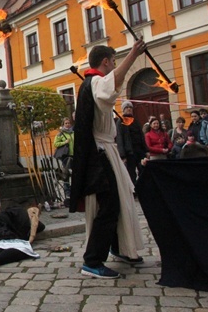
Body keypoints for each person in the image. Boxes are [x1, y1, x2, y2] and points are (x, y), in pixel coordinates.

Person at [70, 39, 146, 280]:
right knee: (110, 205)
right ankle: (92, 260)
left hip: (104, 151)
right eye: (113, 61)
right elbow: (111, 85)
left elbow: (110, 87)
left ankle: (117, 247)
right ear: (105, 61)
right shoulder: (94, 82)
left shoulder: (92, 82)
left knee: (117, 202)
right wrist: (133, 55)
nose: (114, 65)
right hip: (99, 153)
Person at [115, 101, 148, 185]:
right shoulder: (120, 121)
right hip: (129, 152)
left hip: (139, 151)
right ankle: (133, 190)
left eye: (130, 107)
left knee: (143, 170)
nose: (129, 109)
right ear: (123, 110)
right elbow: (119, 138)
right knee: (131, 173)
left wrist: (146, 150)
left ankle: (142, 187)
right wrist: (122, 155)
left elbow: (141, 136)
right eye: (127, 108)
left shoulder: (135, 121)